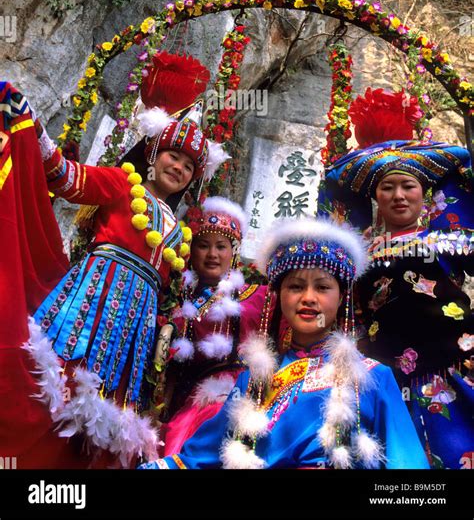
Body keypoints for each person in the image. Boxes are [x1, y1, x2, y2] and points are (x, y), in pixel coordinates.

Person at [1, 53, 228, 468]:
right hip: (88, 306)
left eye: (189, 165)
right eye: (172, 156)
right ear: (154, 156)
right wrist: (33, 126)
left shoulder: (180, 229)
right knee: (54, 385)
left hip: (132, 330)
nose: (178, 166)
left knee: (103, 415)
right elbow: (65, 178)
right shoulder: (123, 183)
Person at [138, 218, 429, 469]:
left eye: (323, 287)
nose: (309, 298)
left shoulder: (372, 377)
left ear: (342, 298)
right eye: (296, 286)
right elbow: (196, 459)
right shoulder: (251, 382)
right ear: (278, 297)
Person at [320, 87, 474, 470]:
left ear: (425, 195)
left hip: (450, 367)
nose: (399, 195)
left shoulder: (449, 240)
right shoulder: (355, 253)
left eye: (409, 186)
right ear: (376, 198)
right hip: (380, 375)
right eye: (387, 188)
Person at [161, 196, 268, 454]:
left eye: (221, 246)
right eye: (203, 245)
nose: (212, 254)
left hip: (244, 394)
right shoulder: (175, 298)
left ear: (233, 253)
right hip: (189, 398)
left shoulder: (257, 295)